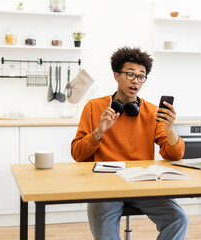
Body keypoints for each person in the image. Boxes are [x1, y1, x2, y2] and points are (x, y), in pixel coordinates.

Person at [71, 46, 188, 240]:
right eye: (130, 74)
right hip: (105, 185)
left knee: (179, 219)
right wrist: (99, 131)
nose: (136, 80)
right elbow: (77, 154)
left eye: (141, 76)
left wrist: (169, 128)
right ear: (116, 75)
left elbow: (175, 155)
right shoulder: (94, 107)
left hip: (142, 183)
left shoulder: (152, 112)